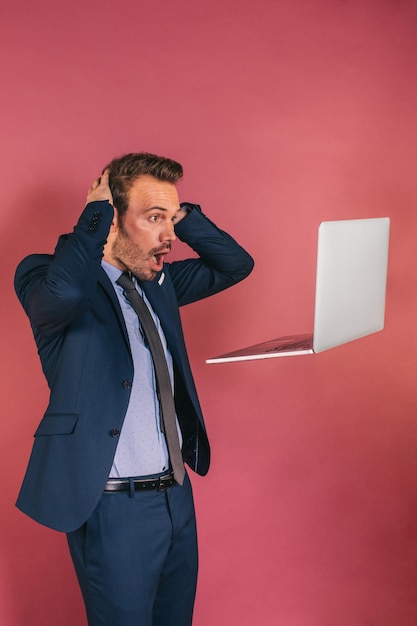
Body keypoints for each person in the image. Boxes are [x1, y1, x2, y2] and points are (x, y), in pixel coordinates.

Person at [14, 152, 254, 626]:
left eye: (171, 217)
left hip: (176, 497)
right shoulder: (44, 275)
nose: (168, 236)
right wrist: (95, 214)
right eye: (153, 218)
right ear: (112, 218)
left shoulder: (157, 283)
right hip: (112, 507)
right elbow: (62, 297)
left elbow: (235, 264)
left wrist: (180, 216)